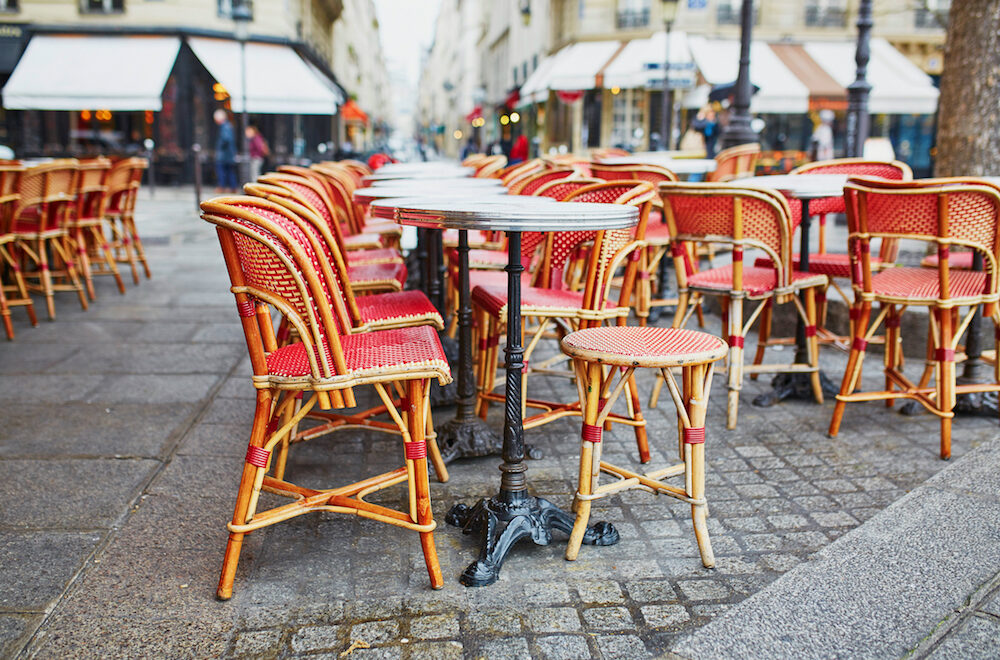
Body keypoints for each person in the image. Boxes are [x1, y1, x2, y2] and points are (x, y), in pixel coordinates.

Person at [214, 109, 238, 192]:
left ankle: (222, 186)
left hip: (225, 154)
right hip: (229, 154)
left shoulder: (225, 126)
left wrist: (220, 147)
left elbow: (226, 139)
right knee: (230, 171)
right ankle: (233, 187)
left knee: (222, 170)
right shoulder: (228, 126)